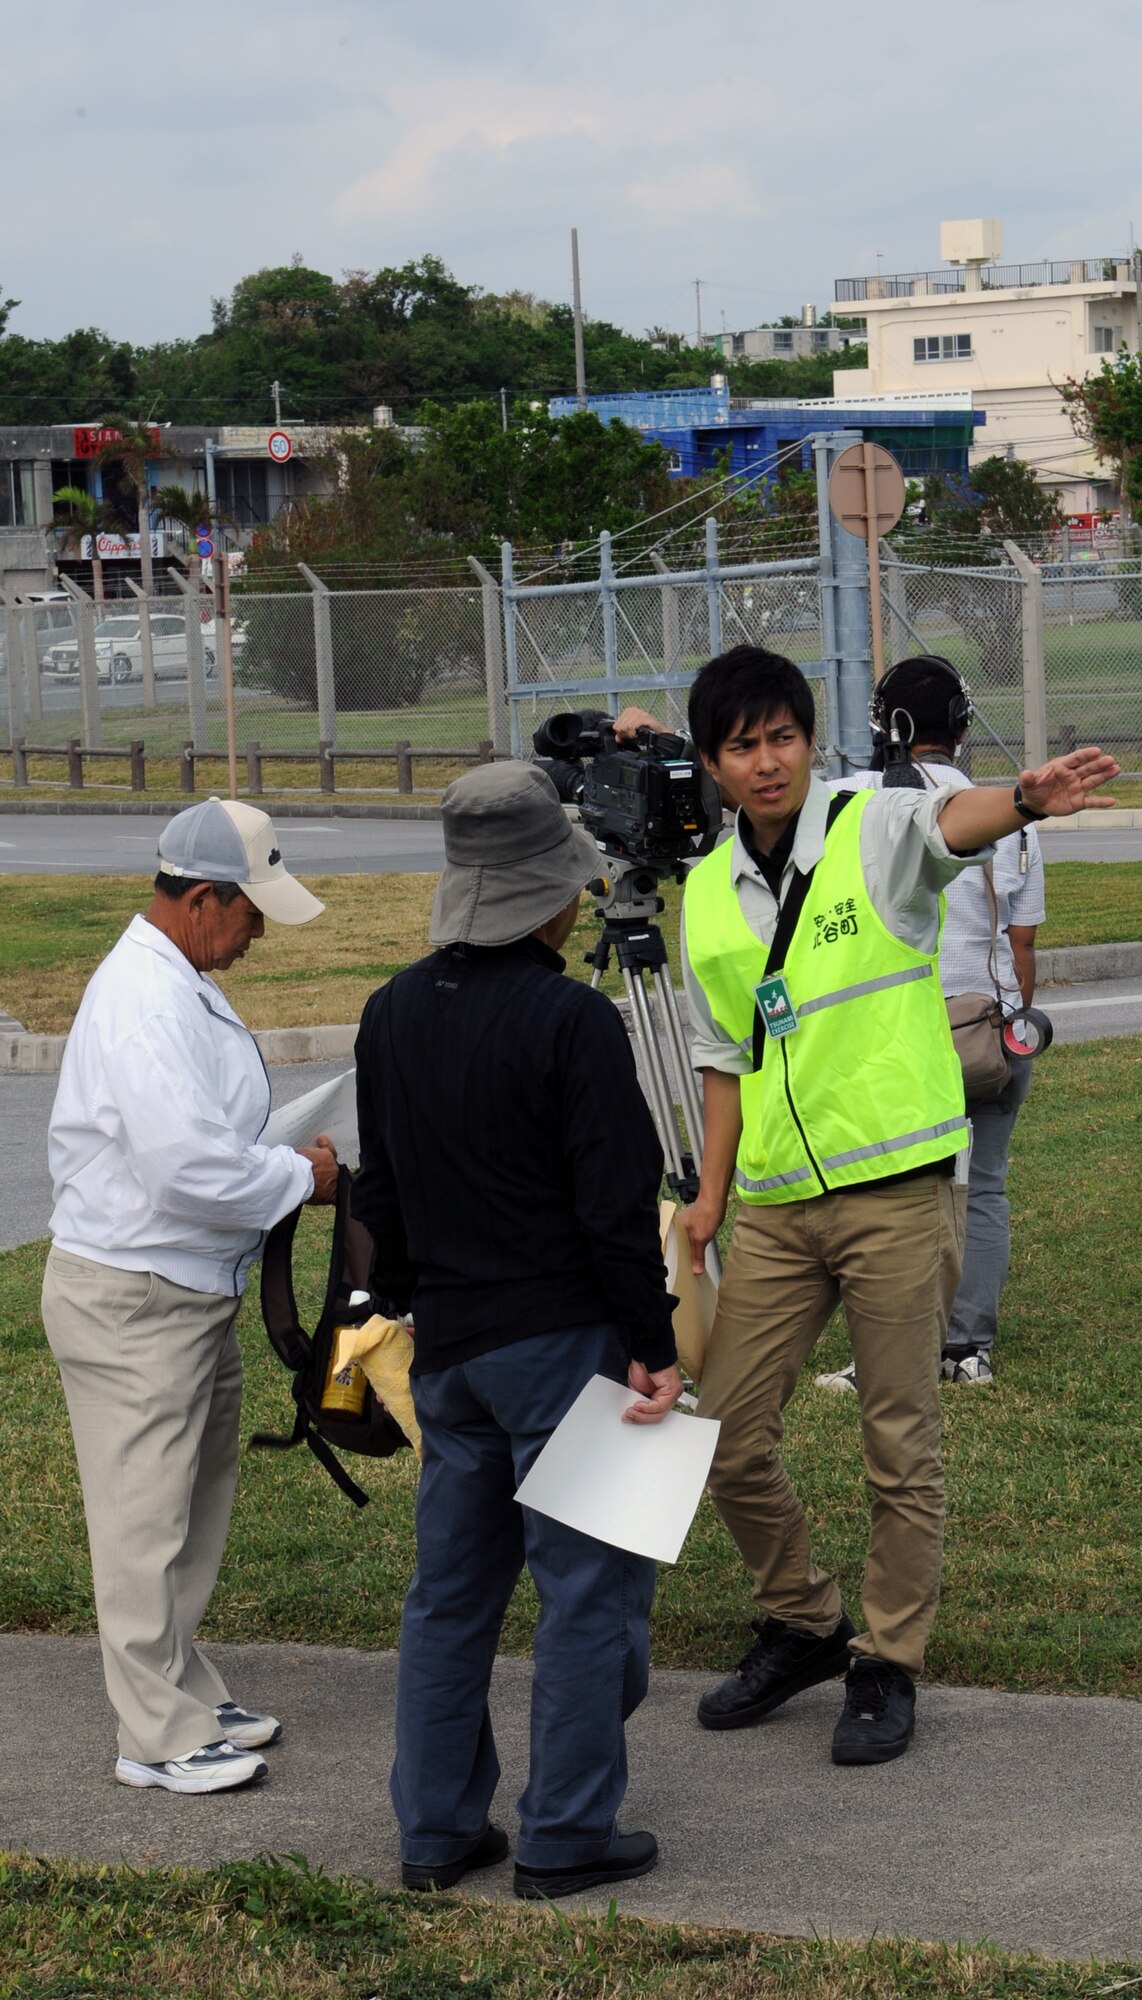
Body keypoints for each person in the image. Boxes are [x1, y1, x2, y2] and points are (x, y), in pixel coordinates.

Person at [677, 646, 1117, 1766]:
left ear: (809, 740)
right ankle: (804, 1621)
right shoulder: (704, 893)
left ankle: (886, 1658)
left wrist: (1022, 797)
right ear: (713, 763)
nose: (765, 760)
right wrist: (709, 1195)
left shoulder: (872, 823)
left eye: (781, 736)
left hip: (895, 1188)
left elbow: (952, 822)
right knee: (724, 1436)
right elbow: (722, 1058)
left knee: (896, 1441)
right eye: (741, 744)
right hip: (774, 1202)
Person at [351, 761, 682, 1902]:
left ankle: (436, 1828)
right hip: (560, 1340)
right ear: (553, 895)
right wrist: (653, 1336)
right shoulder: (569, 1019)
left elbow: (378, 1188)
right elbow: (612, 1202)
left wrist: (408, 1290)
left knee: (450, 1595)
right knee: (585, 1588)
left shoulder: (389, 1009)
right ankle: (564, 1832)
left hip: (446, 1349)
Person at [42, 797, 339, 1796]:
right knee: (142, 1520)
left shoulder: (172, 977)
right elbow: (187, 1170)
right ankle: (154, 1735)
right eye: (251, 912)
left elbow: (202, 1142)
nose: (257, 932)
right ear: (205, 897)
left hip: (180, 1283)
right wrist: (303, 1177)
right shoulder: (145, 996)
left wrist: (280, 1157)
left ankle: (181, 1687)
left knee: (187, 1504)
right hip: (135, 1291)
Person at [819, 653, 1046, 1388]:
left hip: (898, 1031)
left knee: (886, 1197)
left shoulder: (853, 800)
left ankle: (884, 1353)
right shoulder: (1007, 809)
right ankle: (966, 1346)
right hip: (992, 1026)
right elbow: (1022, 942)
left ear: (888, 724)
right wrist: (1012, 1018)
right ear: (960, 727)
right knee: (982, 1187)